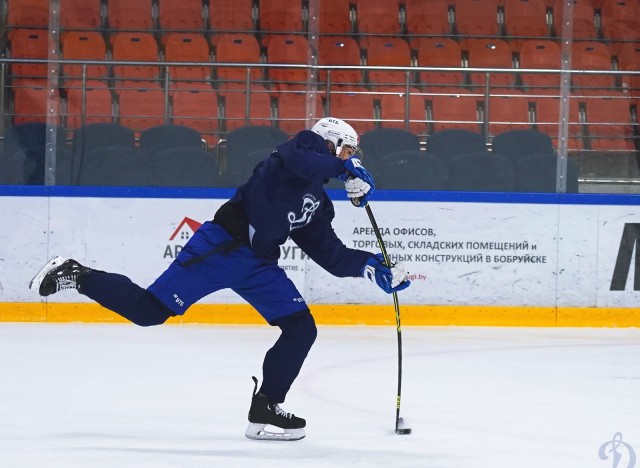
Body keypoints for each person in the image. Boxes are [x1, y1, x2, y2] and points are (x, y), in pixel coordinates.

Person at [29, 117, 411, 441]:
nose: (350, 159)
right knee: (150, 312)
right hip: (222, 247)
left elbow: (330, 253)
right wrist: (344, 169)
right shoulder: (293, 155)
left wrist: (373, 266)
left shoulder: (318, 202)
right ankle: (76, 274)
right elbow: (304, 158)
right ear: (329, 143)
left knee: (301, 328)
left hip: (259, 264)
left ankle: (265, 409)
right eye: (346, 151)